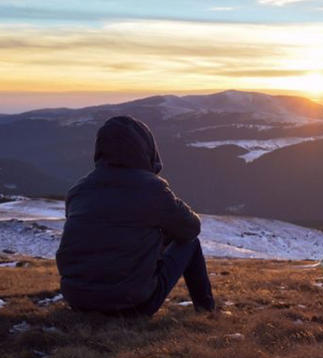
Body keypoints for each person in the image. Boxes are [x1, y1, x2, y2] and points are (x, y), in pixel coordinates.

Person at [56, 116, 215, 316]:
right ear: (146, 149)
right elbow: (191, 228)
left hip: (78, 301)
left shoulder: (78, 190)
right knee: (190, 243)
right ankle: (207, 310)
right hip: (132, 305)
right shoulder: (151, 189)